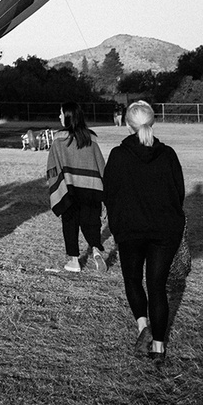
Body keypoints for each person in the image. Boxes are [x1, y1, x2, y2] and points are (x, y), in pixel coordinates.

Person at [102, 100, 185, 369]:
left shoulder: (118, 155)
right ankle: (159, 347)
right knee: (158, 287)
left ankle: (143, 326)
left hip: (130, 230)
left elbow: (109, 195)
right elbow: (178, 193)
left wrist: (116, 225)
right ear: (153, 122)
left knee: (133, 280)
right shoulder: (168, 154)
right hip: (164, 230)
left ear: (127, 125)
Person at [47, 102, 108, 273]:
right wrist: (104, 192)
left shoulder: (58, 139)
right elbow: (100, 165)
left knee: (70, 223)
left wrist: (55, 187)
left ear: (67, 116)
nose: (59, 117)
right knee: (91, 222)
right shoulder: (91, 138)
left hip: (69, 189)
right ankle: (96, 249)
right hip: (91, 188)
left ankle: (74, 261)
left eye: (60, 113)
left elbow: (53, 167)